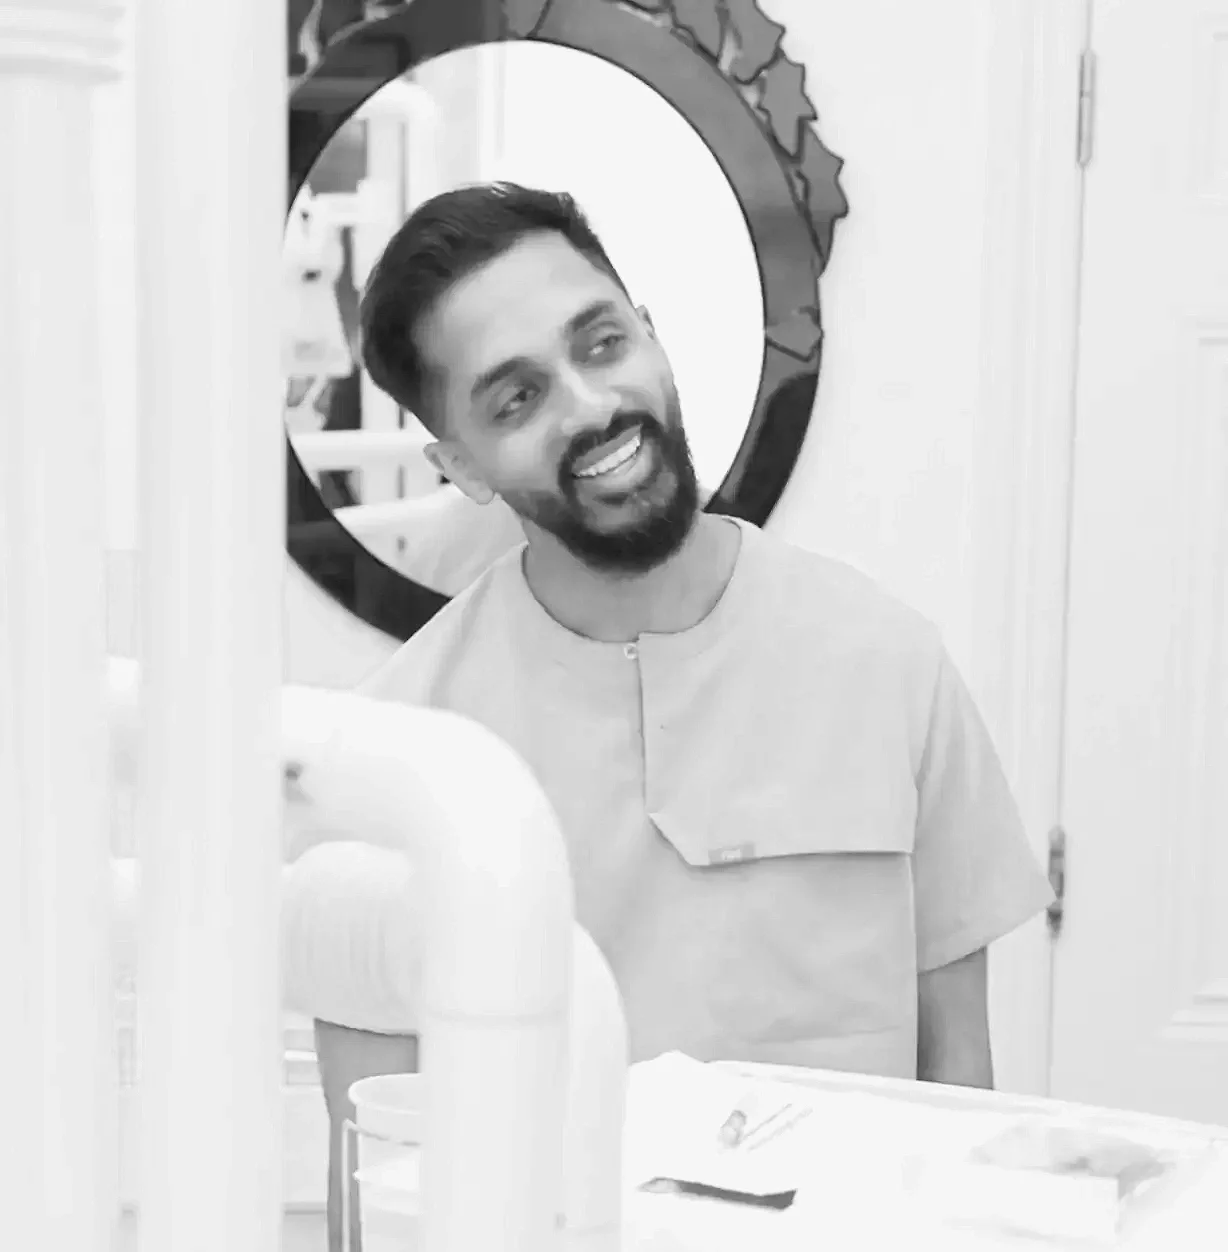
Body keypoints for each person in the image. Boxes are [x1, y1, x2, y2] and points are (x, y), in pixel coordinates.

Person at [300, 181, 1054, 1247]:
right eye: (515, 399)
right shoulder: (401, 764)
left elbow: (961, 1075)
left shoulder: (888, 662)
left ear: (649, 334)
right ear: (459, 465)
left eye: (601, 343)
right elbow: (374, 1186)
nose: (591, 406)